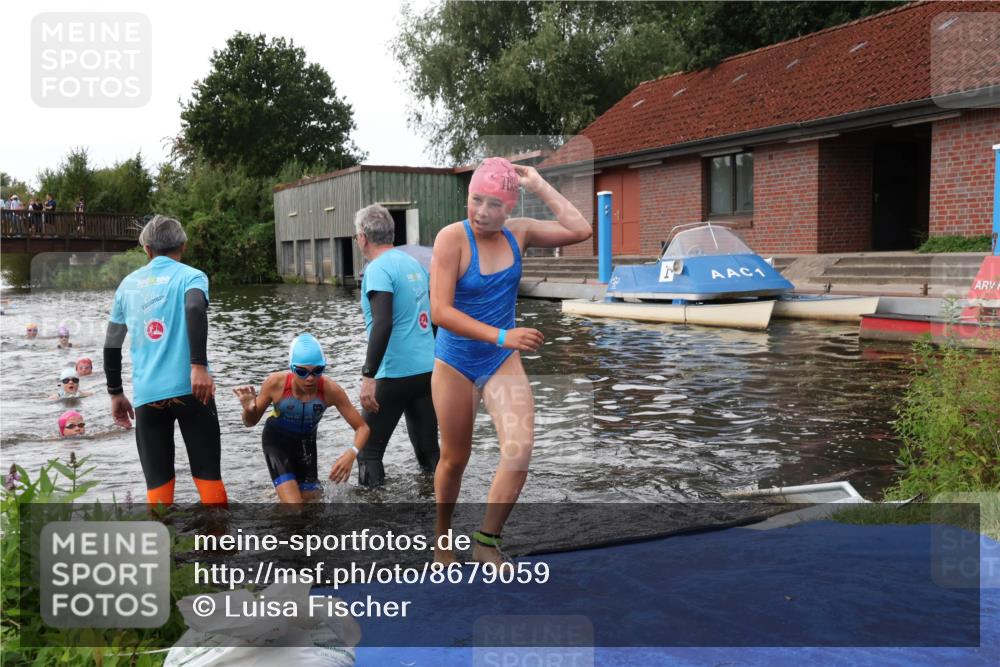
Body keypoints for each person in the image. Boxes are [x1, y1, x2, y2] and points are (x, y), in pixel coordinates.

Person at [430, 158, 591, 565]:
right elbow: (440, 312)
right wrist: (504, 335)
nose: (482, 212)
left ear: (510, 208)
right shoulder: (452, 239)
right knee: (455, 458)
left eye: (494, 205)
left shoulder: (518, 233)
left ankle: (487, 540)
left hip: (502, 361)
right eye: (475, 200)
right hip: (455, 363)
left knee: (519, 450)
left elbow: (580, 229)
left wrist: (539, 184)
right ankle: (442, 536)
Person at [103, 215, 228, 507]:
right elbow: (195, 306)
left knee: (158, 488)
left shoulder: (127, 285)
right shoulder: (191, 276)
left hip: (148, 396)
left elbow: (111, 343)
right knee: (209, 478)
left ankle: (162, 548)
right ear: (182, 246)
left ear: (146, 249)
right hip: (193, 390)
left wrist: (115, 392)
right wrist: (197, 366)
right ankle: (219, 549)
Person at [354, 204, 439, 487]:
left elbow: (383, 323)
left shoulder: (376, 269)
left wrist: (368, 376)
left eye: (357, 235)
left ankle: (375, 521)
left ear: (363, 237)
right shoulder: (414, 264)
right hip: (426, 371)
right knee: (428, 453)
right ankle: (439, 512)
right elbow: (434, 316)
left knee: (368, 452)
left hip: (393, 374)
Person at [233, 334, 371, 503]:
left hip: (306, 445)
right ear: (291, 368)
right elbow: (249, 422)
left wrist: (351, 454)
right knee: (294, 508)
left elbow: (363, 427)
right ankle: (283, 496)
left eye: (317, 371)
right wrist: (248, 409)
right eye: (302, 372)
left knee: (312, 506)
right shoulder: (276, 384)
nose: (310, 378)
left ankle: (278, 494)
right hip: (276, 443)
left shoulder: (330, 390)